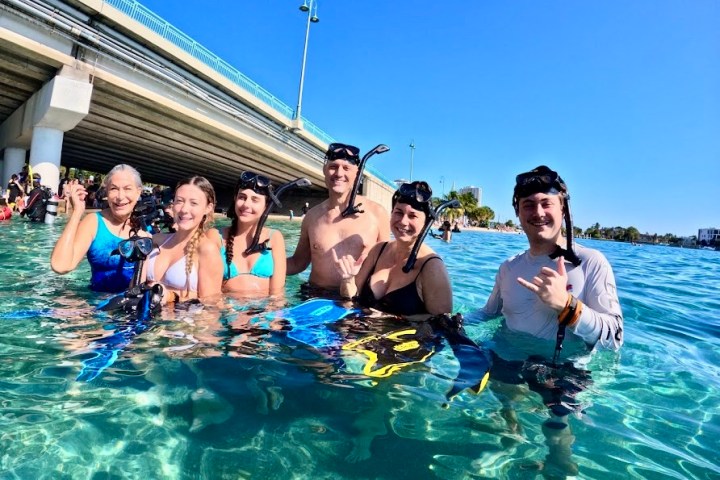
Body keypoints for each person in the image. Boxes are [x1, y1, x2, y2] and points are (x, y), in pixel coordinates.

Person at [481, 165, 623, 477]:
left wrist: (567, 306)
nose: (538, 212)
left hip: (564, 370)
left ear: (563, 208)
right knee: (506, 425)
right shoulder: (509, 267)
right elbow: (488, 313)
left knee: (558, 446)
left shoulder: (589, 263)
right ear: (517, 212)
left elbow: (614, 336)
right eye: (528, 205)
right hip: (509, 357)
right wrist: (445, 323)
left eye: (547, 203)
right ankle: (510, 449)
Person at [334, 181, 452, 317]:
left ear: (426, 223)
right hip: (361, 332)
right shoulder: (378, 250)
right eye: (398, 212)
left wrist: (387, 319)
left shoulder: (432, 267)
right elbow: (353, 300)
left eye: (412, 216)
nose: (403, 221)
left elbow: (442, 329)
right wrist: (347, 279)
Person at [287, 143, 390, 292]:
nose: (339, 173)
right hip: (315, 296)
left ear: (358, 173)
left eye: (346, 168)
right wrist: (263, 263)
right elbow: (298, 263)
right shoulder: (312, 217)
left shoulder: (377, 213)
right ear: (324, 170)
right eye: (333, 167)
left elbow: (385, 267)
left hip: (357, 300)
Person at [51, 164, 145, 293]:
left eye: (127, 189)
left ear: (138, 191)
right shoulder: (94, 222)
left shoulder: (147, 230)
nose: (120, 196)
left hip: (133, 306)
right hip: (96, 306)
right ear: (107, 192)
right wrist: (77, 212)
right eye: (114, 189)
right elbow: (61, 266)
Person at [144, 176, 223, 303]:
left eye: (194, 203)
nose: (184, 209)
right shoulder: (157, 240)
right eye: (179, 201)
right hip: (145, 320)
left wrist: (171, 297)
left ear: (208, 208)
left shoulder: (207, 249)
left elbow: (212, 306)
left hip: (182, 322)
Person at [219, 171, 286, 298]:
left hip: (264, 313)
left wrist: (271, 317)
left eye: (255, 200)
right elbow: (210, 294)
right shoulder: (217, 237)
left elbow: (277, 296)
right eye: (242, 197)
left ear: (266, 206)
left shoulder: (275, 238)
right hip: (227, 312)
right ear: (235, 199)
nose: (246, 204)